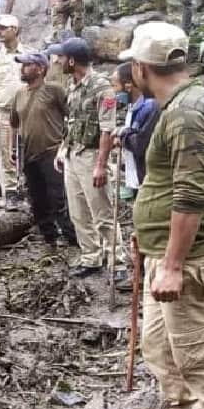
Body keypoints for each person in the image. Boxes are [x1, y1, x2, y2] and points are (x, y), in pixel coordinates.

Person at [127, 22, 204, 409]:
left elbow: (190, 195)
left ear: (140, 68)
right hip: (164, 253)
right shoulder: (177, 106)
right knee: (159, 346)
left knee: (193, 347)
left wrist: (171, 264)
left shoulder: (189, 113)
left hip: (186, 259)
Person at [52, 38, 121, 278]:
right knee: (78, 212)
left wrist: (101, 165)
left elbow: (107, 130)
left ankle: (118, 261)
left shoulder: (102, 88)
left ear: (72, 60)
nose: (57, 61)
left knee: (102, 212)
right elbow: (71, 122)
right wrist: (63, 149)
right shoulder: (73, 86)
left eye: (60, 57)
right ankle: (91, 257)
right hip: (74, 155)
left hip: (92, 156)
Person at [10, 52, 76, 246]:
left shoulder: (54, 90)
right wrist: (12, 149)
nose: (22, 69)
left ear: (40, 68)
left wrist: (66, 144)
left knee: (58, 196)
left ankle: (71, 235)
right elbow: (14, 123)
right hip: (29, 153)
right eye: (22, 65)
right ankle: (49, 236)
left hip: (52, 151)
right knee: (37, 198)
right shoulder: (19, 94)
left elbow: (72, 116)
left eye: (27, 65)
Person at [0, 14, 29, 211]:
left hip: (27, 110)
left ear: (15, 30)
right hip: (4, 111)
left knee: (29, 151)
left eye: (3, 28)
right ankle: (10, 193)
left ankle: (28, 190)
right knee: (6, 153)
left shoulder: (29, 54)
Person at [111, 61, 158, 202]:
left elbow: (139, 144)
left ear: (128, 86)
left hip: (148, 178)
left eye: (115, 86)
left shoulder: (149, 107)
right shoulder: (132, 107)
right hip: (138, 177)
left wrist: (122, 136)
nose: (113, 91)